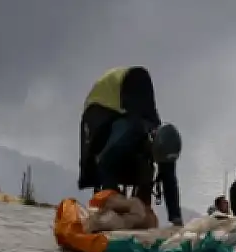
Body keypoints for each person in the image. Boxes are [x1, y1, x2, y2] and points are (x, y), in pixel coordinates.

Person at [77, 66, 184, 227]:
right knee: (114, 165)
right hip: (103, 108)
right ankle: (110, 212)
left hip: (132, 105)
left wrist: (176, 220)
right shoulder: (129, 132)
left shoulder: (166, 143)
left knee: (147, 170)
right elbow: (104, 163)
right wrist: (113, 198)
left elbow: (169, 179)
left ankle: (140, 215)